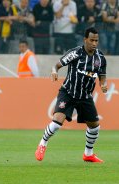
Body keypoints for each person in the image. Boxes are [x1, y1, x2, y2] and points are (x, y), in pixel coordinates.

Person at [35, 27, 108, 163]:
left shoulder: (100, 58)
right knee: (57, 122)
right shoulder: (75, 53)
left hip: (85, 96)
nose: (94, 43)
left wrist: (103, 84)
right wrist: (54, 71)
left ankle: (88, 154)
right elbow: (56, 65)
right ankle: (42, 143)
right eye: (91, 40)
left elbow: (102, 76)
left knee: (95, 127)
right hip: (68, 93)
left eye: (96, 41)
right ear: (85, 39)